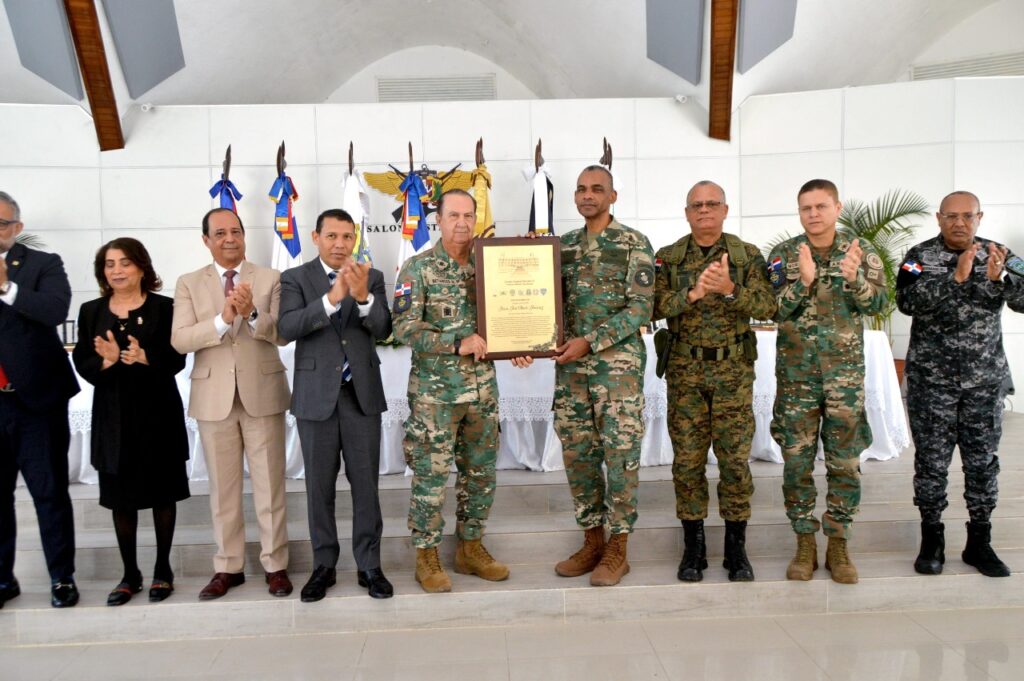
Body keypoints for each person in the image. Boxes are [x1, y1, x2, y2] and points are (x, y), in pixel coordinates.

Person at [652, 180, 776, 583]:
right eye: (696, 205)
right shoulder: (668, 258)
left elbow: (769, 307)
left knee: (735, 462)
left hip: (733, 375)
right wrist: (689, 294)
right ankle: (695, 547)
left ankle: (737, 549)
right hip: (686, 375)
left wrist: (729, 289)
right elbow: (650, 307)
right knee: (687, 463)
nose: (704, 211)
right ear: (687, 213)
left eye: (712, 204)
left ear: (725, 210)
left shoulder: (746, 256)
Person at [896, 190, 1024, 578]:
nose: (959, 223)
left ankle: (979, 541)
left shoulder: (999, 254)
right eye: (951, 216)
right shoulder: (919, 257)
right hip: (931, 383)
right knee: (931, 464)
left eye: (967, 216)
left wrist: (1002, 281)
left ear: (979, 217)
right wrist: (956, 278)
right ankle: (931, 538)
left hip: (984, 382)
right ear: (938, 218)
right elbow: (905, 301)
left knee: (982, 464)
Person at [767, 178, 886, 584]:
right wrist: (801, 282)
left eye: (821, 206)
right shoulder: (784, 255)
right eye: (806, 208)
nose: (813, 214)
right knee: (796, 464)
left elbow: (883, 303)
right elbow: (773, 310)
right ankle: (804, 542)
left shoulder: (860, 252)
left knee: (845, 463)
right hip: (797, 380)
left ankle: (838, 542)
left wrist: (855, 280)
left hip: (844, 381)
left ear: (837, 207)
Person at [171, 208, 292, 600]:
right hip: (213, 398)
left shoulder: (271, 277)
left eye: (236, 231)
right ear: (206, 240)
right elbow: (181, 340)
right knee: (223, 490)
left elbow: (282, 334)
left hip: (262, 392)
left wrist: (251, 312)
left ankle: (275, 565)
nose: (229, 238)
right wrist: (224, 319)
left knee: (270, 485)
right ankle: (228, 566)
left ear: (244, 236)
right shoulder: (189, 283)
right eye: (219, 232)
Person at [392, 189, 508, 593]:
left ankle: (470, 548)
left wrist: (522, 343)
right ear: (437, 220)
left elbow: (511, 314)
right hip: (435, 397)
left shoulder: (491, 265)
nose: (462, 222)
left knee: (480, 476)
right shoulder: (418, 268)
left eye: (468, 215)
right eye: (453, 215)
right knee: (431, 476)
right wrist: (456, 341)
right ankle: (426, 555)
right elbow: (404, 327)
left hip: (482, 393)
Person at [279, 209, 393, 601]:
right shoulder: (295, 278)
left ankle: (369, 565)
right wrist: (331, 299)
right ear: (316, 237)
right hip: (315, 397)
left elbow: (384, 327)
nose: (341, 244)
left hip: (361, 397)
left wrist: (361, 298)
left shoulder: (371, 277)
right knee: (319, 488)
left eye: (347, 236)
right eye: (332, 236)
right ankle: (323, 565)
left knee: (366, 487)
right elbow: (287, 328)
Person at [551, 165, 655, 587]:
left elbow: (640, 308)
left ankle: (619, 548)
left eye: (597, 189)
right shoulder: (563, 246)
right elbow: (545, 303)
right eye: (581, 189)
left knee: (620, 456)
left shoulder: (634, 243)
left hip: (618, 373)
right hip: (571, 373)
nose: (587, 195)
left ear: (613, 197)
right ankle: (593, 539)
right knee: (579, 456)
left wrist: (591, 341)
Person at [73, 238, 189, 605]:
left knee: (162, 494)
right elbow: (83, 362)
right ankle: (129, 574)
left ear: (141, 267)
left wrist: (143, 356)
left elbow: (176, 359)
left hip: (157, 414)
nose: (117, 270)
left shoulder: (165, 307)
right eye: (109, 264)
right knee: (121, 498)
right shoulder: (91, 311)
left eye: (125, 263)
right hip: (113, 417)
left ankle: (162, 571)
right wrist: (107, 361)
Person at [0, 191, 80, 609]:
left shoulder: (42, 265)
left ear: (17, 227)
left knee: (48, 491)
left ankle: (61, 578)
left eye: (0, 224)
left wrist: (6, 287)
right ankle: (2, 579)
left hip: (34, 402)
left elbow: (53, 310)